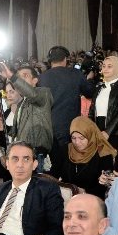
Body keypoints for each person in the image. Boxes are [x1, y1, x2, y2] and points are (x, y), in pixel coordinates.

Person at [38, 46, 93, 178]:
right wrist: (90, 79)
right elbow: (89, 92)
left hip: (47, 129)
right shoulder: (75, 74)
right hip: (70, 128)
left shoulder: (42, 77)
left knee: (51, 168)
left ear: (50, 60)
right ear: (65, 59)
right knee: (69, 167)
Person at [0, 63, 54, 164]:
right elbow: (19, 131)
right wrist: (5, 128)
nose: (21, 79)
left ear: (35, 80)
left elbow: (33, 94)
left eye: (25, 75)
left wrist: (12, 77)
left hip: (37, 152)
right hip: (23, 152)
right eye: (19, 77)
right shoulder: (22, 102)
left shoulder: (44, 93)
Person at [59, 117, 117, 197]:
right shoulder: (66, 150)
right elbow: (55, 173)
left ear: (90, 135)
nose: (77, 142)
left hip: (93, 199)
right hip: (66, 198)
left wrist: (85, 192)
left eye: (81, 138)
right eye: (73, 138)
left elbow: (105, 185)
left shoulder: (103, 154)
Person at [90, 55, 118, 155]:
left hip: (115, 131)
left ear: (117, 67)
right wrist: (93, 130)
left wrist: (108, 132)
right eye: (104, 66)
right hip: (97, 129)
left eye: (109, 66)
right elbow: (92, 110)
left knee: (113, 160)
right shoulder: (99, 87)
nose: (105, 69)